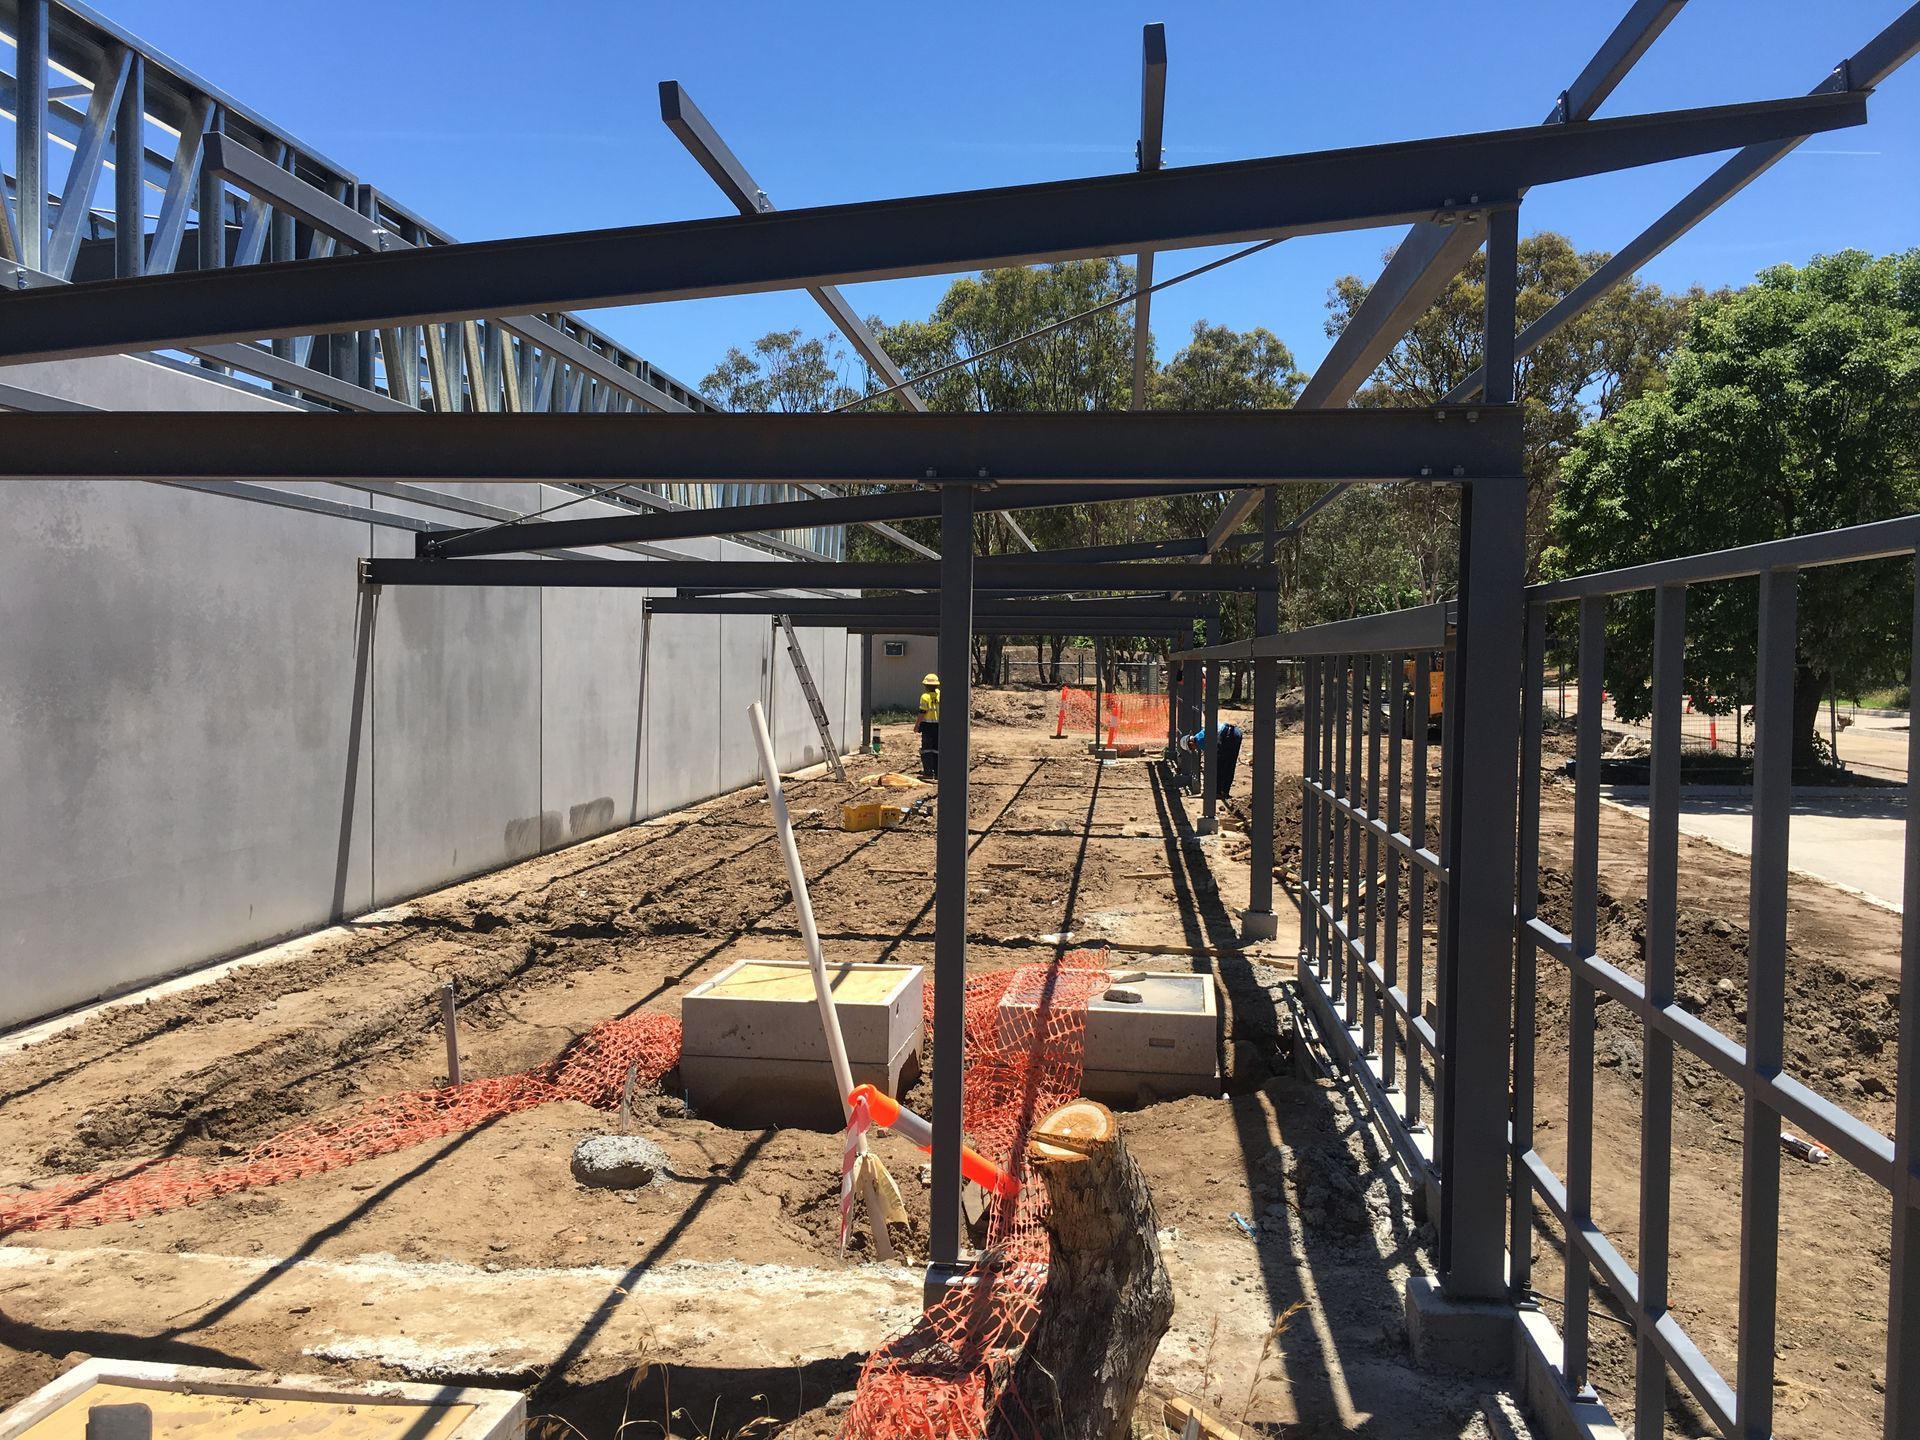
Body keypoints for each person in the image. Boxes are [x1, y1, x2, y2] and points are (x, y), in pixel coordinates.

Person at [1181, 721, 1244, 797]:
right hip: (1235, 732)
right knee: (1229, 764)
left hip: (1229, 736)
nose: (1193, 749)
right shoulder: (1199, 735)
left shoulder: (1200, 742)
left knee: (1220, 766)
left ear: (1191, 743)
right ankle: (1224, 791)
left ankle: (1217, 792)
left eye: (1191, 748)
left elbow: (1211, 758)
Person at [916, 672, 941, 778]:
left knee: (926, 749)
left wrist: (917, 725)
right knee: (937, 749)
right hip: (939, 725)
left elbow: (922, 712)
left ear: (925, 685)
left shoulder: (925, 697)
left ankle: (928, 772)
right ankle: (938, 771)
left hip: (927, 725)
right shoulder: (939, 694)